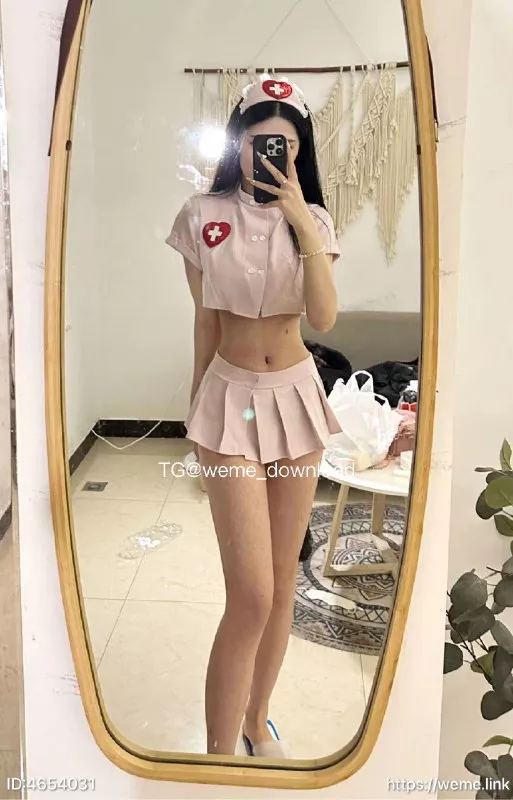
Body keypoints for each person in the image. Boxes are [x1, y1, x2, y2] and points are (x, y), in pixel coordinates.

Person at [166, 74, 342, 758]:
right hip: (229, 399)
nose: (268, 154)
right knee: (251, 593)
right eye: (256, 141)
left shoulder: (314, 220)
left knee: (281, 586)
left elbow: (322, 317)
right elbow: (204, 323)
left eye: (284, 145)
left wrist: (299, 216)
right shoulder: (200, 214)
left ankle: (255, 719)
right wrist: (196, 409)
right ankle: (218, 755)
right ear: (236, 142)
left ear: (299, 153)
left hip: (296, 398)